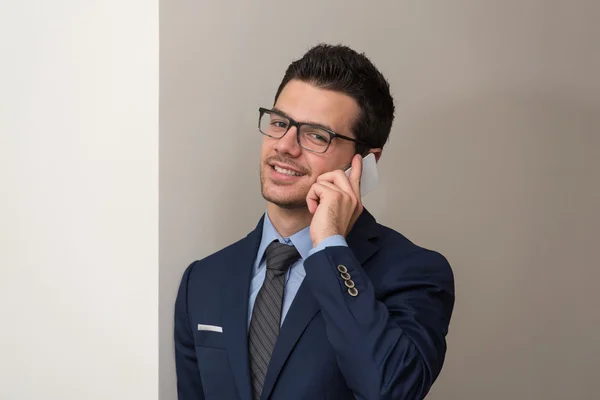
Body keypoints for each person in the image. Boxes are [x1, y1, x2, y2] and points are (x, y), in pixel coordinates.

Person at [174, 43, 455, 400]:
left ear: (364, 161)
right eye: (279, 123)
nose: (285, 146)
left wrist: (330, 248)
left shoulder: (415, 272)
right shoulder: (203, 279)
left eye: (316, 135)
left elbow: (391, 390)